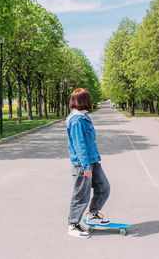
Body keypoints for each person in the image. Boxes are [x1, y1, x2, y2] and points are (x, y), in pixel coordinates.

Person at [66, 88, 111, 238]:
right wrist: (86, 166)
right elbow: (80, 145)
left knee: (104, 187)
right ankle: (73, 225)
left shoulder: (84, 117)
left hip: (93, 161)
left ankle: (92, 214)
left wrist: (92, 163)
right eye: (87, 98)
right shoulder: (76, 120)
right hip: (82, 164)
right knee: (81, 195)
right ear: (83, 101)